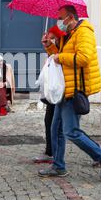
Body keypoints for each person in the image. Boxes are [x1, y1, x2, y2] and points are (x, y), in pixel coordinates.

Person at [38, 5, 101, 180]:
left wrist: (60, 57)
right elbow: (60, 56)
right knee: (56, 127)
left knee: (71, 131)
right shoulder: (69, 34)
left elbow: (84, 58)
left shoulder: (84, 32)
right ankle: (58, 166)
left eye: (61, 18)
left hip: (76, 89)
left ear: (70, 17)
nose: (59, 22)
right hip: (65, 88)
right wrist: (49, 47)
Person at [33, 25, 66, 164]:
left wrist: (51, 48)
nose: (51, 39)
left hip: (63, 88)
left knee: (72, 129)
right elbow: (55, 57)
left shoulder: (67, 40)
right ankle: (50, 152)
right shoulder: (59, 43)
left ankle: (99, 153)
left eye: (52, 37)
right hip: (55, 88)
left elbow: (60, 59)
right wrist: (48, 46)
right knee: (50, 121)